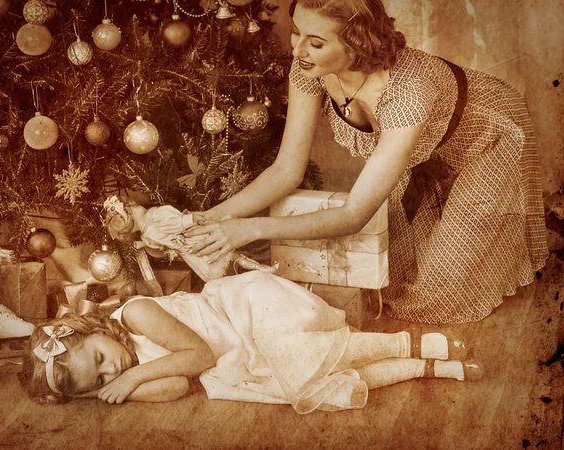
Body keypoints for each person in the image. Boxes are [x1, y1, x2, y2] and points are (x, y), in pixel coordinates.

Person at [184, 0, 549, 324]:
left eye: (316, 42)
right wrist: (216, 216)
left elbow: (353, 215)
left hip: (489, 136)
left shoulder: (407, 93)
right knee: (388, 278)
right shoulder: (309, 71)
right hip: (422, 147)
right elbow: (286, 170)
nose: (298, 51)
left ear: (357, 44)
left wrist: (250, 229)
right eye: (296, 33)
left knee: (435, 296)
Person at [20, 271, 482, 413]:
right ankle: (427, 368)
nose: (113, 371)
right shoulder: (120, 371)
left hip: (246, 315)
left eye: (101, 359)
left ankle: (409, 343)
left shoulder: (137, 314)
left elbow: (197, 355)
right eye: (99, 381)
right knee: (303, 389)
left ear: (92, 328)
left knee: (300, 356)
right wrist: (120, 390)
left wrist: (136, 374)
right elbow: (179, 386)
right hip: (234, 362)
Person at [102, 195, 277, 282]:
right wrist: (190, 219)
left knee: (227, 259)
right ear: (131, 216)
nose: (139, 205)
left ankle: (259, 271)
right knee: (229, 256)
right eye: (134, 208)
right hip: (194, 241)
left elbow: (163, 244)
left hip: (190, 247)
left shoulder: (147, 235)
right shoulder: (156, 217)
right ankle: (258, 271)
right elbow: (175, 224)